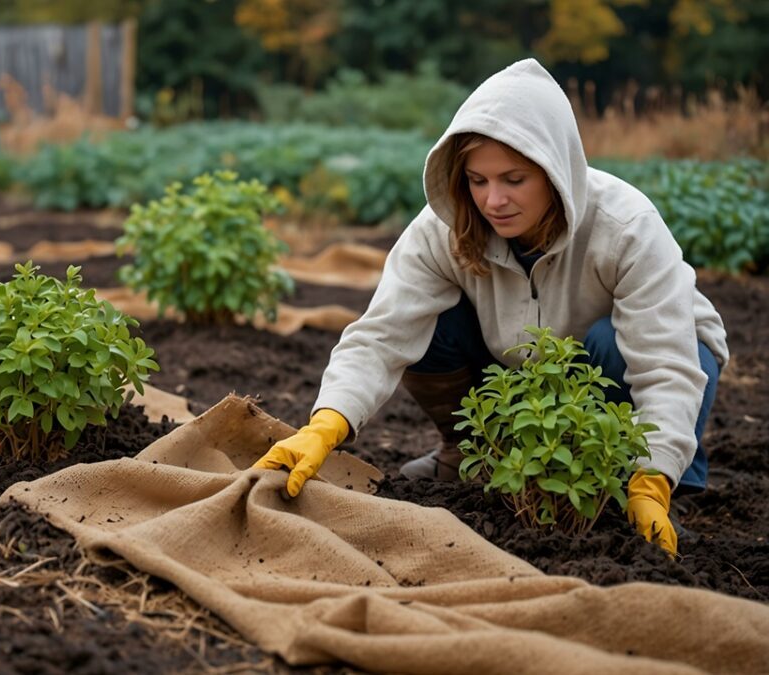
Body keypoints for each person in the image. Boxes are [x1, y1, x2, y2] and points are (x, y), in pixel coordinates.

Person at [253, 59, 727, 557]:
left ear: (554, 171)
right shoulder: (443, 229)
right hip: (517, 372)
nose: (493, 200)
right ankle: (469, 457)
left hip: (620, 366)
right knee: (428, 326)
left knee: (614, 343)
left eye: (513, 179)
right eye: (478, 180)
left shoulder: (625, 226)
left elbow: (666, 363)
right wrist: (326, 424)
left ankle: (643, 488)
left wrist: (653, 477)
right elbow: (381, 335)